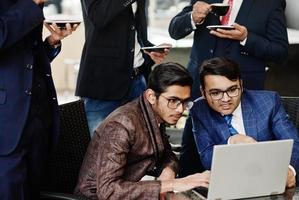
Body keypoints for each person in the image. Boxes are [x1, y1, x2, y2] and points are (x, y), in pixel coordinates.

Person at [168, 0, 289, 177]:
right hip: (201, 93)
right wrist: (193, 17)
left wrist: (246, 38)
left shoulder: (269, 3)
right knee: (191, 154)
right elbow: (174, 30)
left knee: (244, 159)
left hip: (241, 94)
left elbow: (280, 52)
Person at [74, 63, 210, 200]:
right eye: (173, 100)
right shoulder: (121, 125)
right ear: (151, 96)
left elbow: (167, 154)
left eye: (184, 101)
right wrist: (169, 184)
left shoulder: (155, 113)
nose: (181, 109)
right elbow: (108, 191)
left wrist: (168, 171)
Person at [0, 1, 77, 199]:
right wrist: (31, 4)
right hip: (7, 124)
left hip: (38, 120)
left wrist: (51, 42)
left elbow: (25, 60)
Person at [186, 57, 299, 187]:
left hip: (271, 180)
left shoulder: (269, 102)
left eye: (232, 90)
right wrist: (231, 142)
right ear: (203, 92)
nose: (226, 99)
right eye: (216, 93)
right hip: (230, 184)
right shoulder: (199, 110)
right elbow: (206, 158)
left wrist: (290, 171)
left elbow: (293, 143)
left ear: (241, 85)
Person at [77, 0, 171, 135]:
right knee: (99, 150)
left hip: (138, 81)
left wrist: (149, 52)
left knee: (141, 148)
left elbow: (133, 30)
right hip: (103, 84)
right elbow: (98, 17)